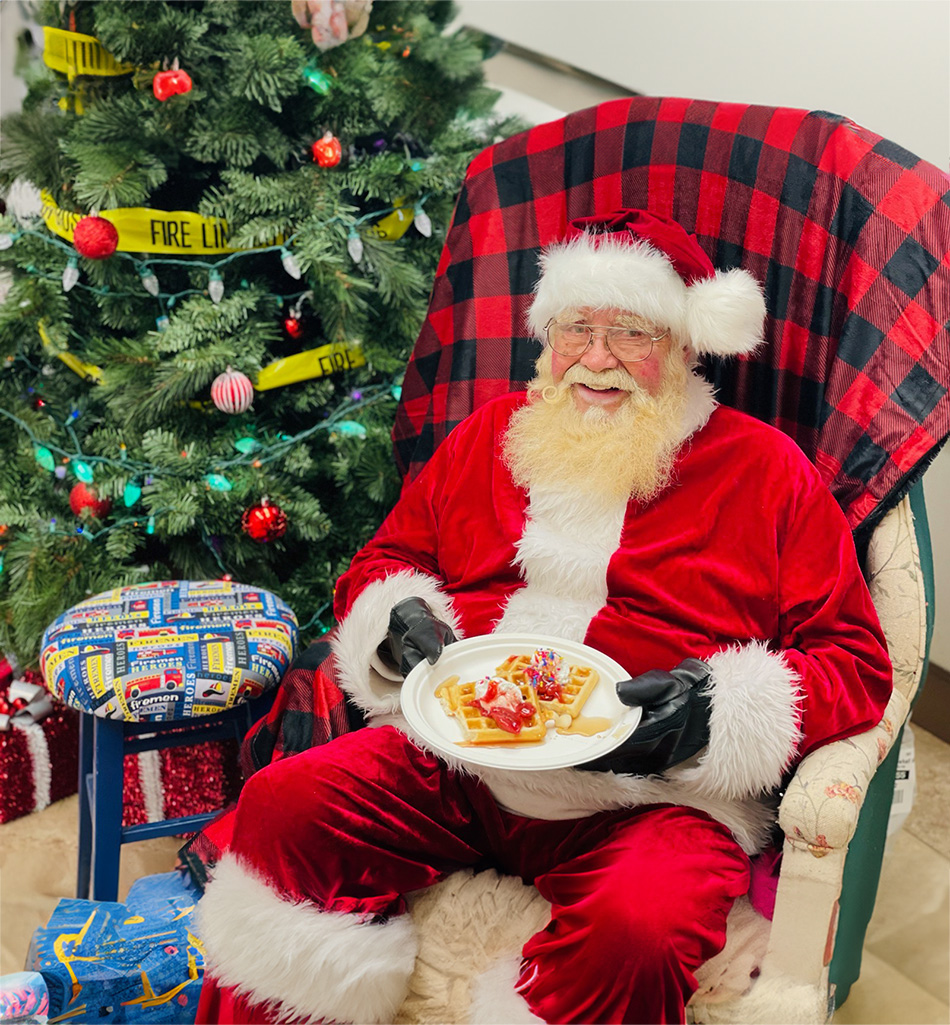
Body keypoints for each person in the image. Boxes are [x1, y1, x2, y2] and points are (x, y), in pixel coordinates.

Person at [194, 210, 892, 1025]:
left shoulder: (767, 471)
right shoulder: (490, 434)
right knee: (284, 804)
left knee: (641, 924)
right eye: (576, 329)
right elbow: (383, 563)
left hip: (647, 796)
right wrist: (397, 619)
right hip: (459, 757)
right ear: (545, 335)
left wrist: (714, 714)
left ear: (684, 344)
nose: (597, 360)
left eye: (631, 331)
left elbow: (855, 659)